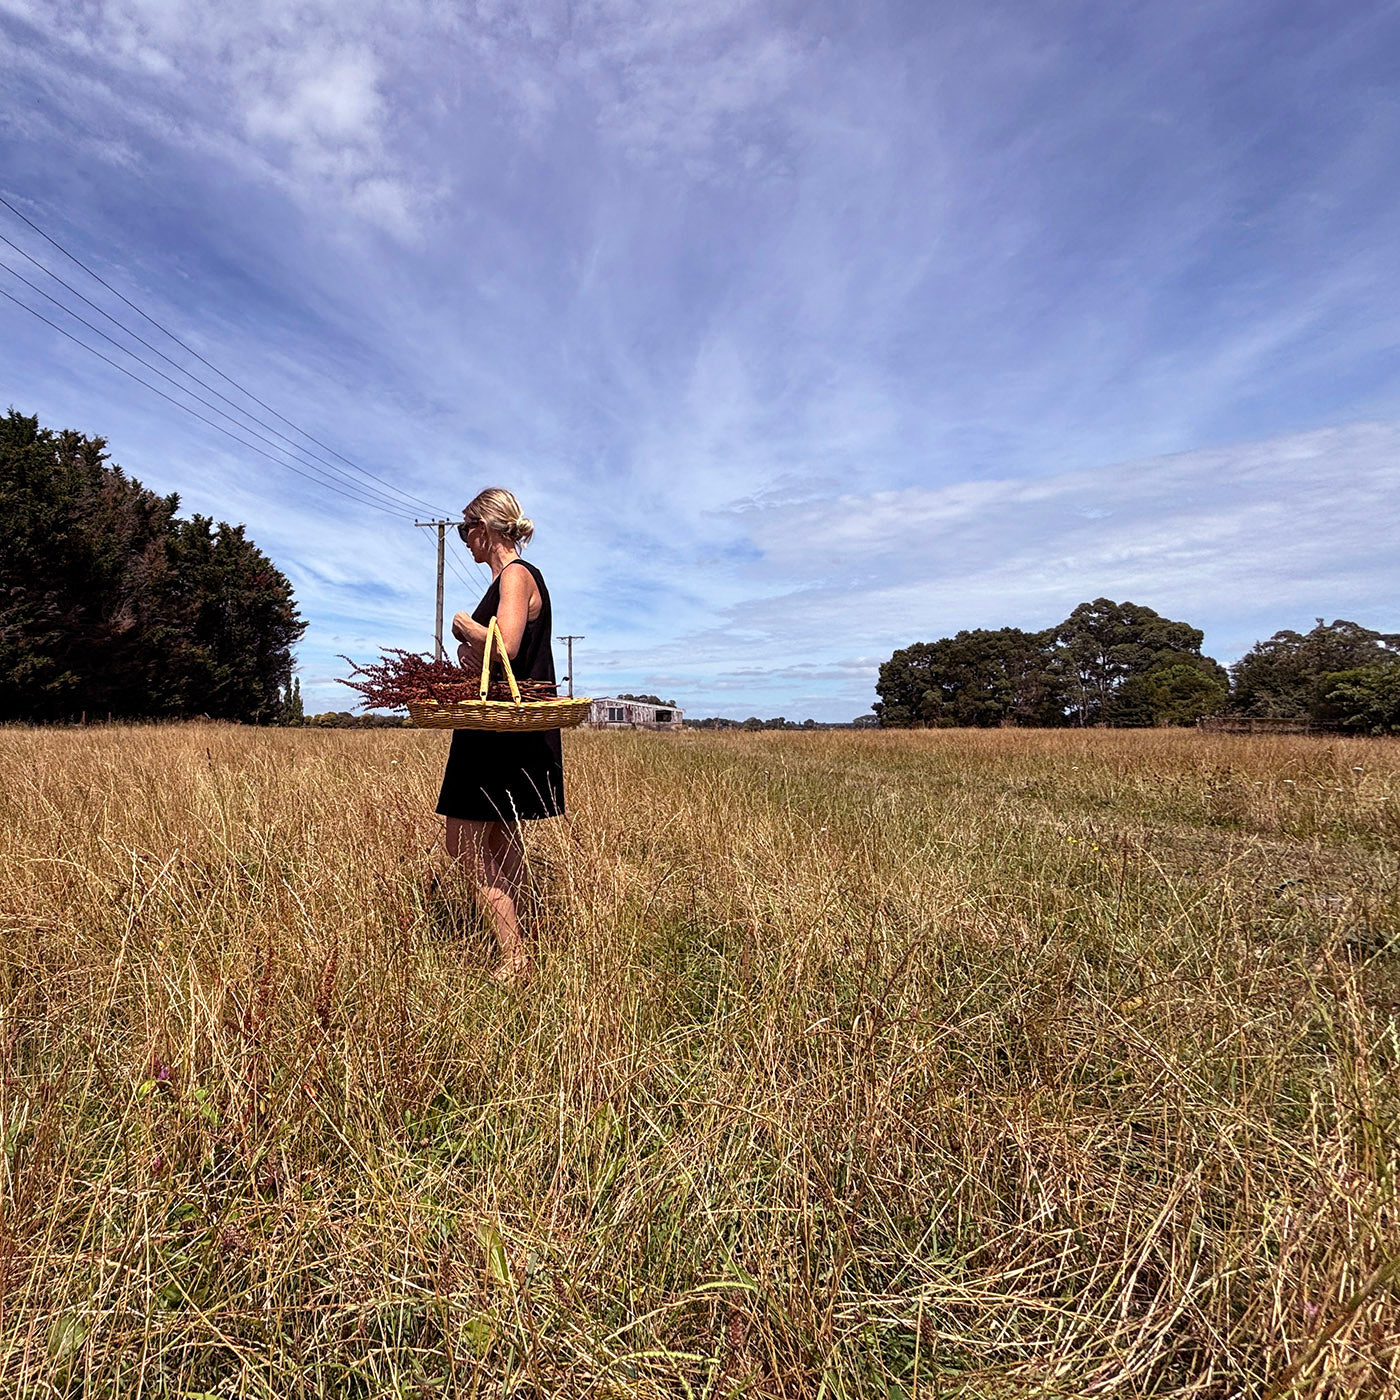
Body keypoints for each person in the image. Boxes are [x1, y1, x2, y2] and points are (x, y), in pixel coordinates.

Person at [437, 487, 564, 984]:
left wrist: (467, 628)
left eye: (466, 531)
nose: (464, 541)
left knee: (461, 845)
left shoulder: (515, 576)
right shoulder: (515, 579)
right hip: (509, 730)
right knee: (501, 838)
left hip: (496, 732)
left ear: (485, 530)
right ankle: (520, 945)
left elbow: (507, 648)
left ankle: (514, 957)